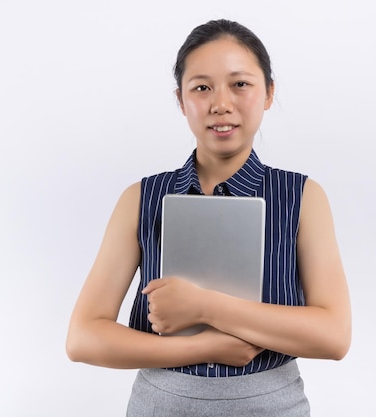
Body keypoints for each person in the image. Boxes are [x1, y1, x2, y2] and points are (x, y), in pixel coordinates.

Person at [66, 18, 351, 416]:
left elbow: (334, 336)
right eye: (202, 87)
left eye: (240, 84)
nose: (221, 103)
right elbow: (82, 338)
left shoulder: (303, 198)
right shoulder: (141, 198)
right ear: (181, 101)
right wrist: (204, 346)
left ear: (269, 93)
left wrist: (204, 307)